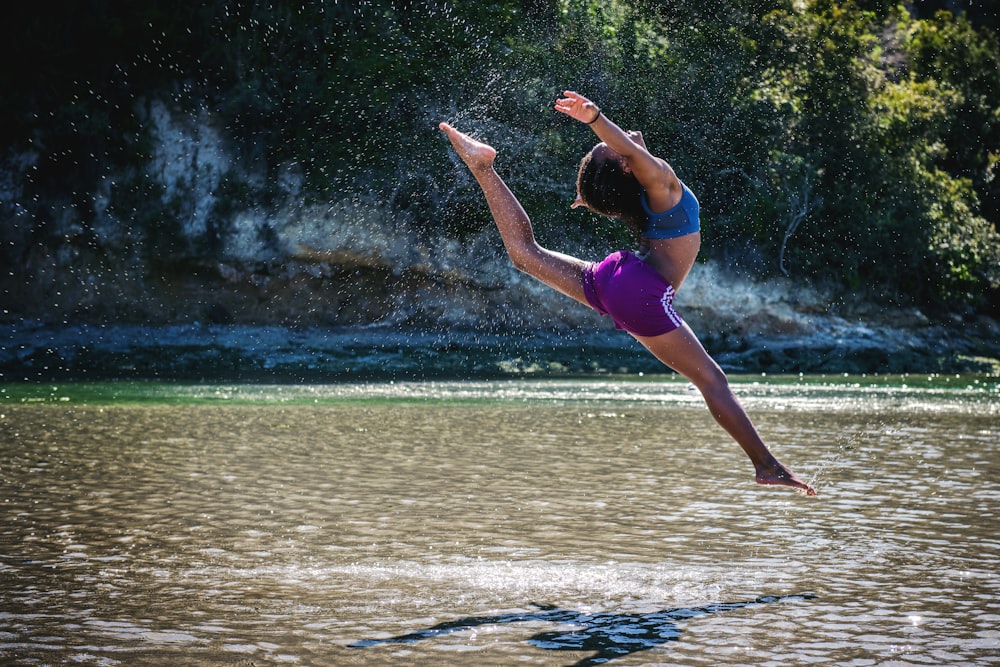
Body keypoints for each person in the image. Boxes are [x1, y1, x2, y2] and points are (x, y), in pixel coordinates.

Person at [439, 90, 817, 496]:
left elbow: (620, 164)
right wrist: (594, 119)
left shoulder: (649, 197)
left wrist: (596, 170)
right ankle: (766, 465)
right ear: (624, 162)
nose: (615, 138)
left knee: (526, 254)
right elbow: (627, 151)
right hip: (637, 290)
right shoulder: (661, 183)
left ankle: (482, 168)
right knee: (711, 379)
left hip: (616, 276)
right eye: (609, 146)